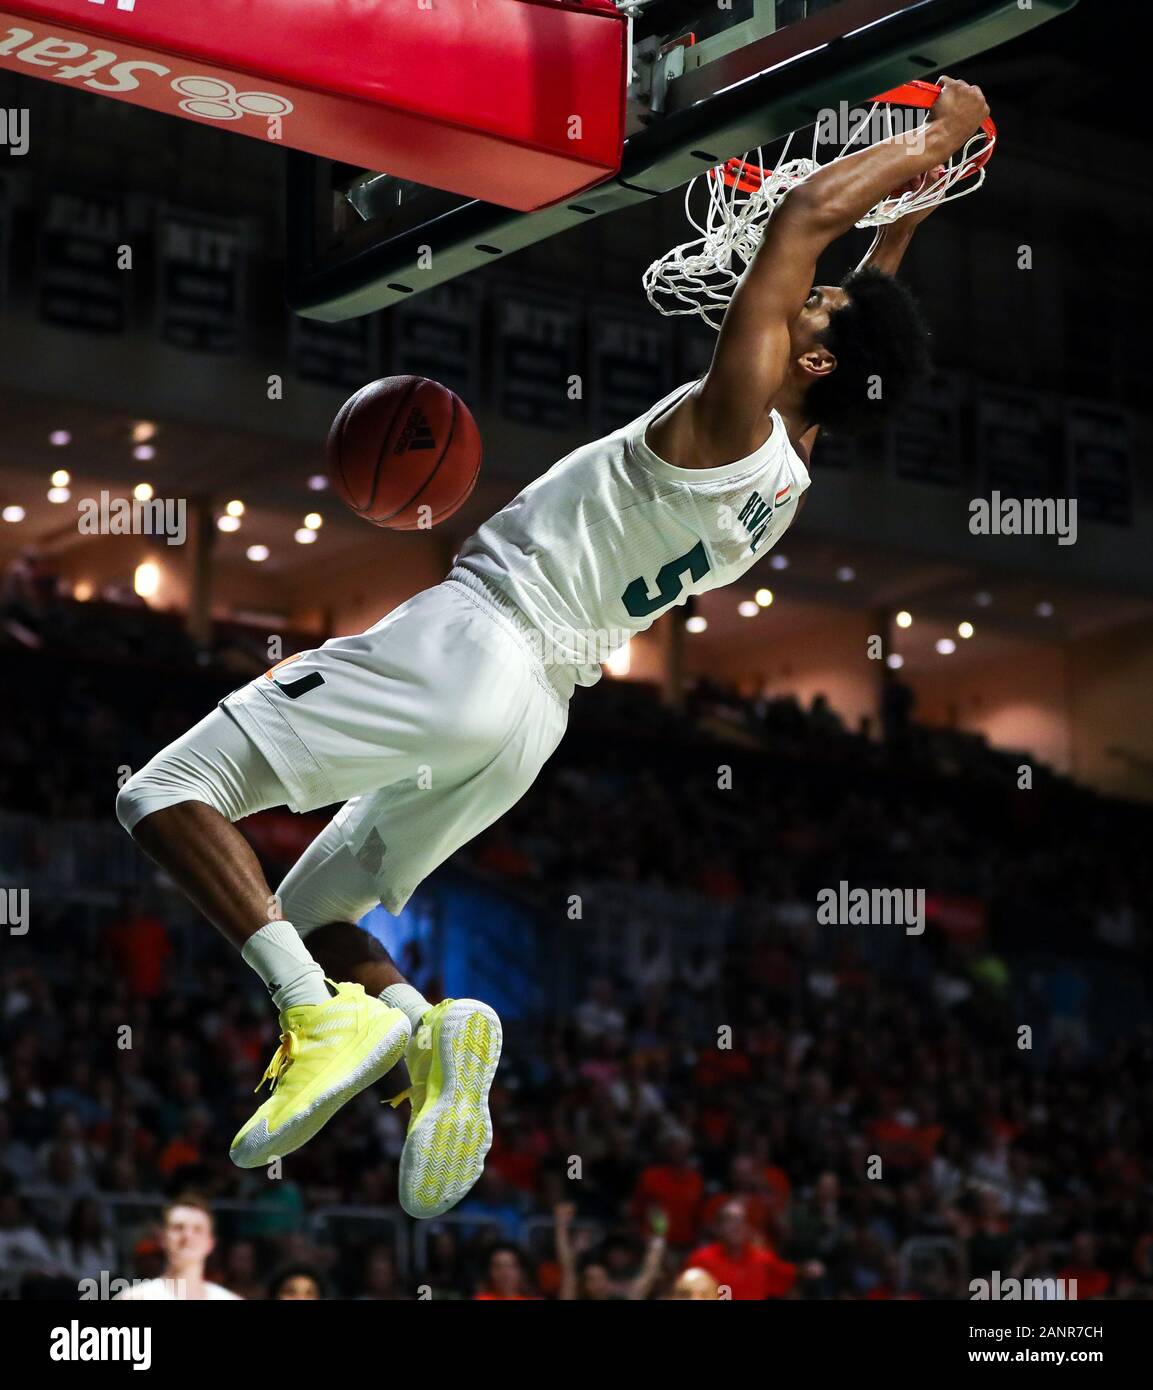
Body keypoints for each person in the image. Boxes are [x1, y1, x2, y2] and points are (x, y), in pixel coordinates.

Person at [114, 77, 988, 1218]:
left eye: (814, 314)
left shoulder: (733, 419)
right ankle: (426, 1039)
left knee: (166, 790)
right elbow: (863, 314)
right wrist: (916, 210)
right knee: (318, 906)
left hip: (478, 634)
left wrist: (936, 138)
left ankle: (309, 1011)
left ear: (813, 363)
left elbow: (802, 216)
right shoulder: (787, 479)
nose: (800, 303)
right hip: (531, 722)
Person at [113, 1197, 241, 1301]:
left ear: (210, 1243)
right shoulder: (135, 1297)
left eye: (197, 1229)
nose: (187, 1236)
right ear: (162, 1237)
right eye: (179, 1227)